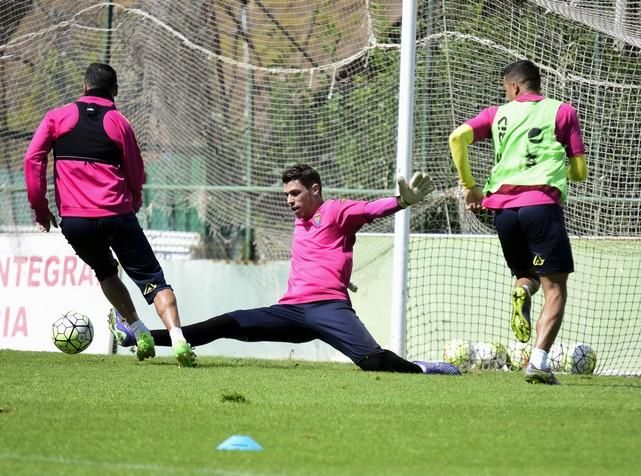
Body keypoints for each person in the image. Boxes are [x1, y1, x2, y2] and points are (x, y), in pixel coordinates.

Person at [110, 164, 461, 375]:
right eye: (286, 196)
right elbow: (323, 256)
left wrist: (401, 202)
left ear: (315, 190)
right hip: (290, 312)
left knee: (371, 362)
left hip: (328, 310)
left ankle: (422, 368)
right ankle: (139, 336)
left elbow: (370, 210)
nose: (290, 201)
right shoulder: (301, 223)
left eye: (295, 193)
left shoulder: (336, 210)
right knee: (228, 324)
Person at [24, 62, 196, 367]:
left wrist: (40, 208)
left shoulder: (57, 117)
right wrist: (135, 200)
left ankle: (138, 330)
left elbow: (33, 158)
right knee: (153, 281)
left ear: (84, 85)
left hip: (76, 221)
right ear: (114, 90)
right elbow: (135, 169)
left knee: (105, 271)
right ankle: (179, 340)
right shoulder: (118, 121)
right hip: (117, 215)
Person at [448, 59, 588, 384]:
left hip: (504, 213)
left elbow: (457, 138)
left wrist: (471, 187)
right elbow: (580, 172)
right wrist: (554, 169)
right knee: (556, 290)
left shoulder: (497, 113)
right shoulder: (562, 111)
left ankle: (522, 291)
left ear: (513, 87)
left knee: (527, 275)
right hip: (540, 206)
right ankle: (538, 362)